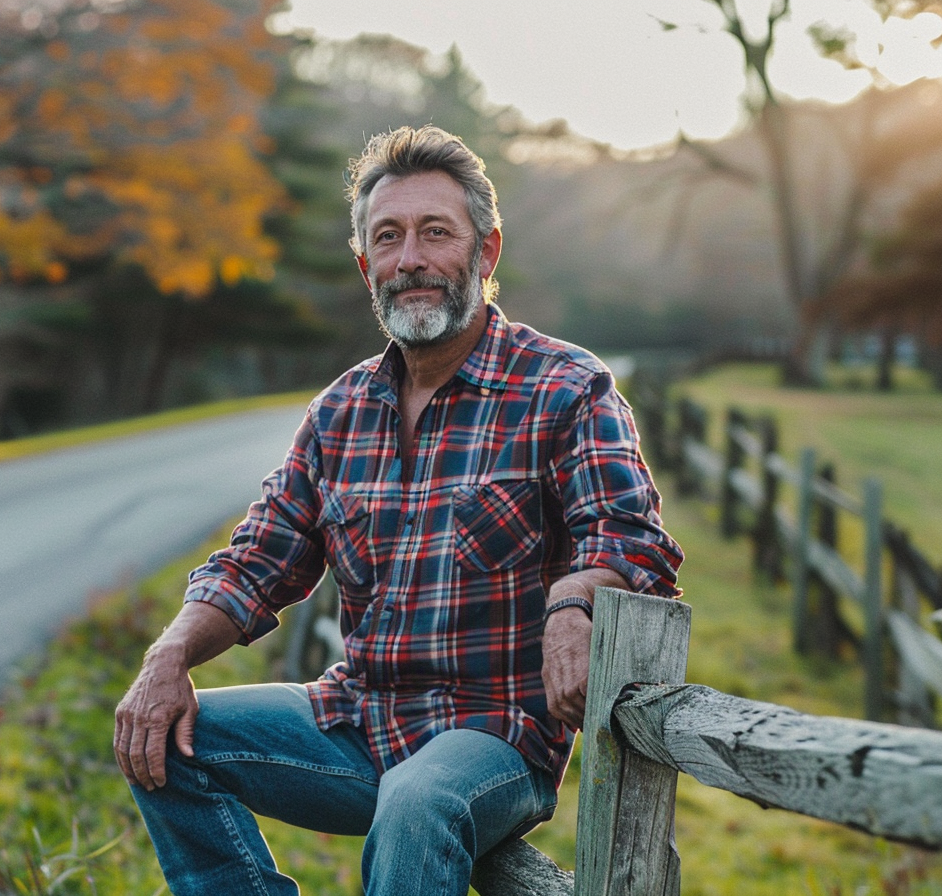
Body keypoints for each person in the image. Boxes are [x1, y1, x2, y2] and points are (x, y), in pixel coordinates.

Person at [113, 125, 683, 895]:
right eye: (388, 237)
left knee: (418, 800)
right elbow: (257, 561)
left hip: (492, 738)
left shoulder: (564, 387)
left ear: (486, 253)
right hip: (356, 720)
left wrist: (574, 599)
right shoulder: (339, 412)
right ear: (365, 265)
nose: (410, 258)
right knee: (162, 736)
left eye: (435, 232)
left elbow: (631, 536)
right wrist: (166, 657)